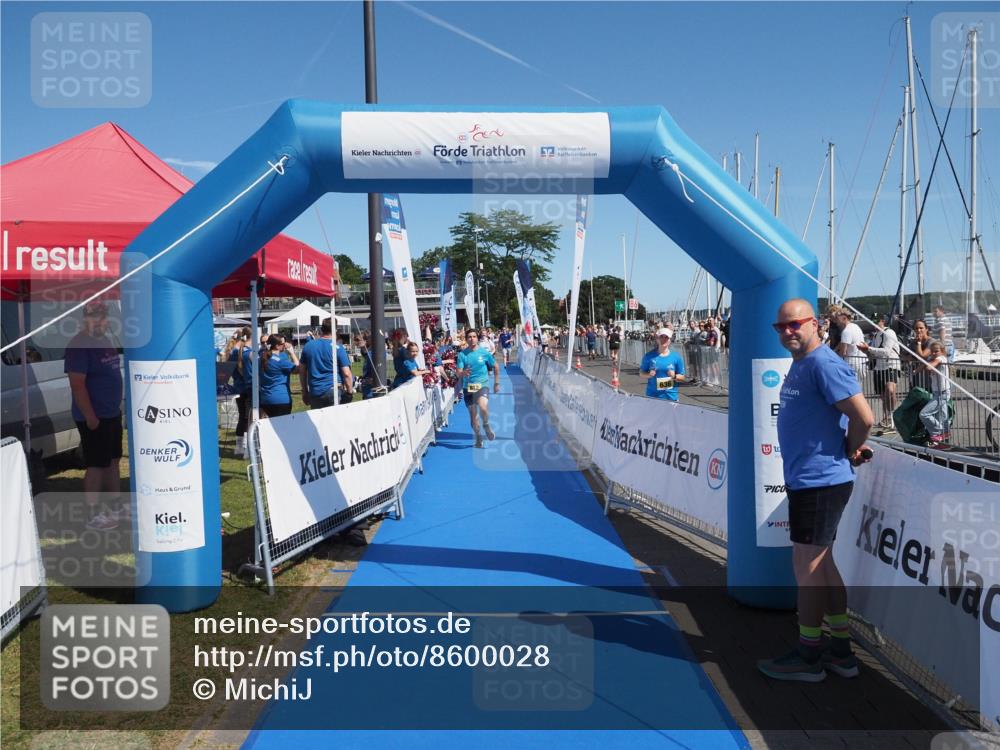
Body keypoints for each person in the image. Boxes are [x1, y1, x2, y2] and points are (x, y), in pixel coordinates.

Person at [758, 299, 874, 683]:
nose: (787, 332)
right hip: (812, 481)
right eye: (781, 327)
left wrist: (850, 447)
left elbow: (864, 416)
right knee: (822, 566)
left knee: (806, 569)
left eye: (795, 325)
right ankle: (841, 651)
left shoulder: (823, 363)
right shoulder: (804, 363)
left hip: (819, 482)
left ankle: (809, 655)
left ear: (816, 324)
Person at [65, 301, 125, 530]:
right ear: (85, 319)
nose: (101, 321)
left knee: (113, 460)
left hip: (111, 413)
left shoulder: (105, 340)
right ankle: (92, 514)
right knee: (96, 464)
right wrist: (90, 416)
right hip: (94, 417)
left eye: (104, 316)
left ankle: (115, 507)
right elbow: (77, 385)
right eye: (96, 317)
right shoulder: (78, 345)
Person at [456, 329, 500, 448]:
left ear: (477, 338)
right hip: (468, 388)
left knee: (483, 407)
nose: (472, 339)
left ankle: (486, 425)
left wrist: (496, 383)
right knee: (473, 418)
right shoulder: (462, 355)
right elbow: (458, 372)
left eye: (474, 336)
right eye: (469, 337)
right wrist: (463, 373)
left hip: (482, 385)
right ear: (466, 339)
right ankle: (478, 437)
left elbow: (496, 366)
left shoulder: (484, 353)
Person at [857, 316, 900, 430]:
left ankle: (892, 416)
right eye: (872, 322)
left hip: (891, 365)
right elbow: (874, 353)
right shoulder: (875, 335)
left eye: (877, 322)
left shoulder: (889, 332)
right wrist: (866, 351)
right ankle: (887, 417)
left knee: (890, 390)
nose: (874, 324)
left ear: (882, 321)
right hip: (879, 367)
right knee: (883, 396)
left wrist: (869, 349)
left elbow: (886, 351)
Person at [300, 319, 354, 408]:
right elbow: (347, 373)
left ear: (322, 329)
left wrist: (305, 391)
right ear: (335, 330)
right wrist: (349, 392)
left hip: (315, 391)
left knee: (317, 420)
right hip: (333, 390)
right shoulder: (338, 348)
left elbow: (302, 371)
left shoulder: (308, 346)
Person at [258, 335, 299, 418]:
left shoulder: (262, 358)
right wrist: (292, 353)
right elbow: (298, 369)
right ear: (277, 346)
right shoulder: (279, 361)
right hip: (280, 400)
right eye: (283, 343)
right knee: (283, 429)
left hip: (266, 399)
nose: (286, 345)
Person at [919, 341, 951, 446]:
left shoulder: (941, 358)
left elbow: (929, 367)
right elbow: (924, 364)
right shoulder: (934, 359)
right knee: (943, 416)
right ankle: (944, 438)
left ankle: (938, 432)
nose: (933, 354)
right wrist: (918, 369)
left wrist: (929, 362)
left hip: (942, 393)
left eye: (936, 351)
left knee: (924, 414)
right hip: (938, 392)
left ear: (942, 351)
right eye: (932, 352)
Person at [639, 327, 685, 401]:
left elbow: (682, 377)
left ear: (670, 340)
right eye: (661, 337)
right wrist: (648, 375)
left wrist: (674, 376)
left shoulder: (676, 357)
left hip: (671, 397)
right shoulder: (649, 356)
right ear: (657, 339)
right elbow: (641, 373)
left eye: (666, 337)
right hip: (653, 397)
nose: (664, 339)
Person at [229, 327, 254, 457]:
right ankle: (245, 448)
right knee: (249, 418)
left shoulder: (233, 351)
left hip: (238, 388)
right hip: (248, 388)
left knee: (243, 417)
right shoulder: (248, 352)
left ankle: (239, 447)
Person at [835, 309, 866, 382]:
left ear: (844, 318)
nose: (836, 320)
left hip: (851, 364)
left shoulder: (846, 331)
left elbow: (843, 352)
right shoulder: (856, 326)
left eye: (837, 318)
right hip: (861, 362)